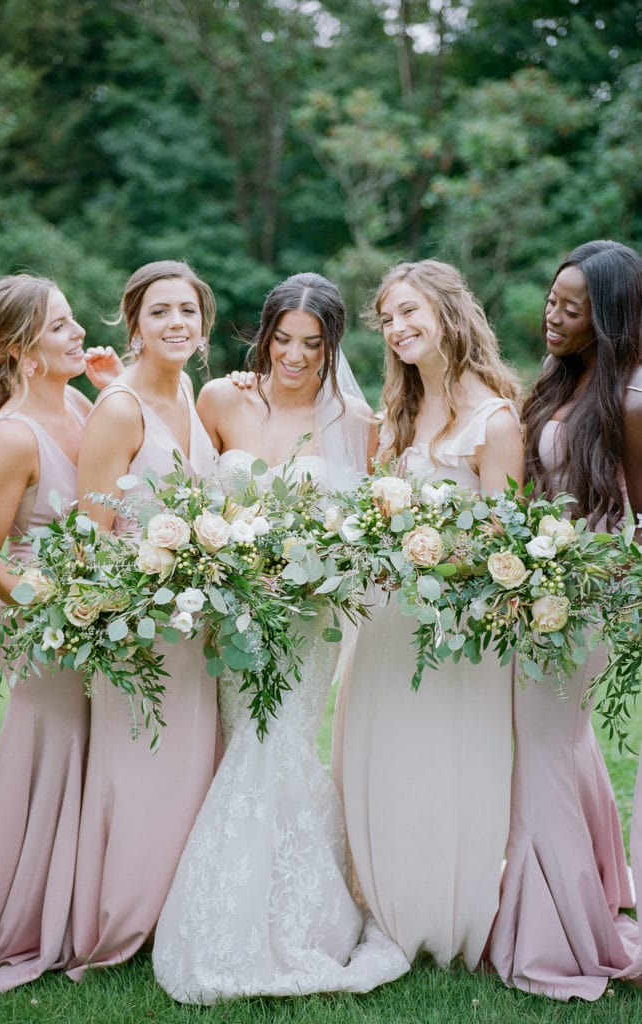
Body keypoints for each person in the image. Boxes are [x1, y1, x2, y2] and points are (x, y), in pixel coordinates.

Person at [152, 272, 410, 1003]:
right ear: (261, 334)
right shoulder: (220, 398)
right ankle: (279, 905)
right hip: (233, 614)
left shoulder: (358, 424)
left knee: (280, 741)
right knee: (247, 742)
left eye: (313, 344)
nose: (294, 357)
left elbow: (367, 536)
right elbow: (192, 501)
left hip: (308, 621)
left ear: (333, 347)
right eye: (282, 340)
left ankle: (293, 919)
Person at [333, 259, 524, 971]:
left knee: (444, 767)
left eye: (408, 311)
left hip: (456, 632)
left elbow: (507, 547)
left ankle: (442, 918)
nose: (396, 327)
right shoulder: (394, 415)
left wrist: (443, 562)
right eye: (386, 318)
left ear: (449, 312)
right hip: (386, 623)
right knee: (380, 758)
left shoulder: (495, 421)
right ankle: (382, 905)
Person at [489, 240, 642, 1000]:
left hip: (584, 604)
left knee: (540, 751)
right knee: (555, 748)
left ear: (608, 319)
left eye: (570, 309)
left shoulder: (631, 398)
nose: (551, 317)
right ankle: (581, 900)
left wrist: (600, 590)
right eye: (550, 301)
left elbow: (639, 523)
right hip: (535, 594)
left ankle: (561, 938)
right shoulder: (562, 382)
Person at [67, 260, 220, 979]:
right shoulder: (119, 407)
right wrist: (140, 595)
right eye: (160, 312)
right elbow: (91, 530)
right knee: (139, 770)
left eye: (187, 311)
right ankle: (118, 914)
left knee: (188, 768)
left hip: (197, 625)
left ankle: (169, 909)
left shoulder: (186, 390)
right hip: (138, 627)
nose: (176, 324)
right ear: (133, 324)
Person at [0, 274, 107, 991]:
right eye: (61, 327)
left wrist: (115, 389)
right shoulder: (11, 435)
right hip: (41, 622)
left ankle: (76, 911)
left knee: (89, 762)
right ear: (22, 350)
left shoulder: (80, 403)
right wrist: (45, 604)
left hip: (99, 614)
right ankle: (23, 919)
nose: (78, 332)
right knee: (48, 758)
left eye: (73, 319)